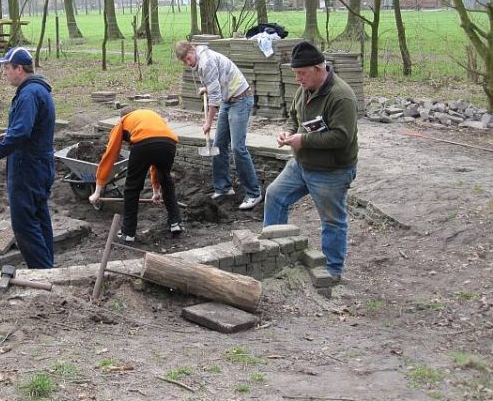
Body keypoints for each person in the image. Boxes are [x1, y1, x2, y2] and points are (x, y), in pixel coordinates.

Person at [263, 41, 358, 280]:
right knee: (275, 196)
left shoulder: (341, 96)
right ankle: (273, 253)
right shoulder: (303, 90)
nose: (298, 79)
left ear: (318, 68)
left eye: (302, 73)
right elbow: (293, 117)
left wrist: (303, 141)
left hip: (331, 170)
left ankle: (332, 271)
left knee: (332, 220)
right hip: (301, 164)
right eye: (295, 74)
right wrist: (287, 132)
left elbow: (342, 136)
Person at [0, 47, 56, 269]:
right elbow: (32, 127)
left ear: (19, 68)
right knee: (39, 216)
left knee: (24, 224)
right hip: (40, 163)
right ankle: (49, 267)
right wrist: (10, 134)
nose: (4, 72)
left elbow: (22, 132)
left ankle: (41, 272)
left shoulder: (28, 93)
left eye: (7, 67)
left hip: (27, 167)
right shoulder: (39, 90)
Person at [174, 40, 262, 210]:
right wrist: (206, 88)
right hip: (228, 99)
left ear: (193, 50)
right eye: (184, 61)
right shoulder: (199, 62)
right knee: (219, 144)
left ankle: (254, 193)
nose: (188, 62)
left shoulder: (206, 62)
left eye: (188, 58)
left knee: (238, 147)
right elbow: (216, 82)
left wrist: (208, 122)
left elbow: (214, 99)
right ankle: (223, 188)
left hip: (241, 99)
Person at [88, 108, 183, 243]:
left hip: (143, 145)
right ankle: (176, 223)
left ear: (122, 116)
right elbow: (155, 163)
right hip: (169, 143)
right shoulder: (151, 116)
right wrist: (156, 191)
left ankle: (128, 232)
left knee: (132, 188)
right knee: (166, 181)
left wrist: (97, 192)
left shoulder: (122, 121)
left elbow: (110, 156)